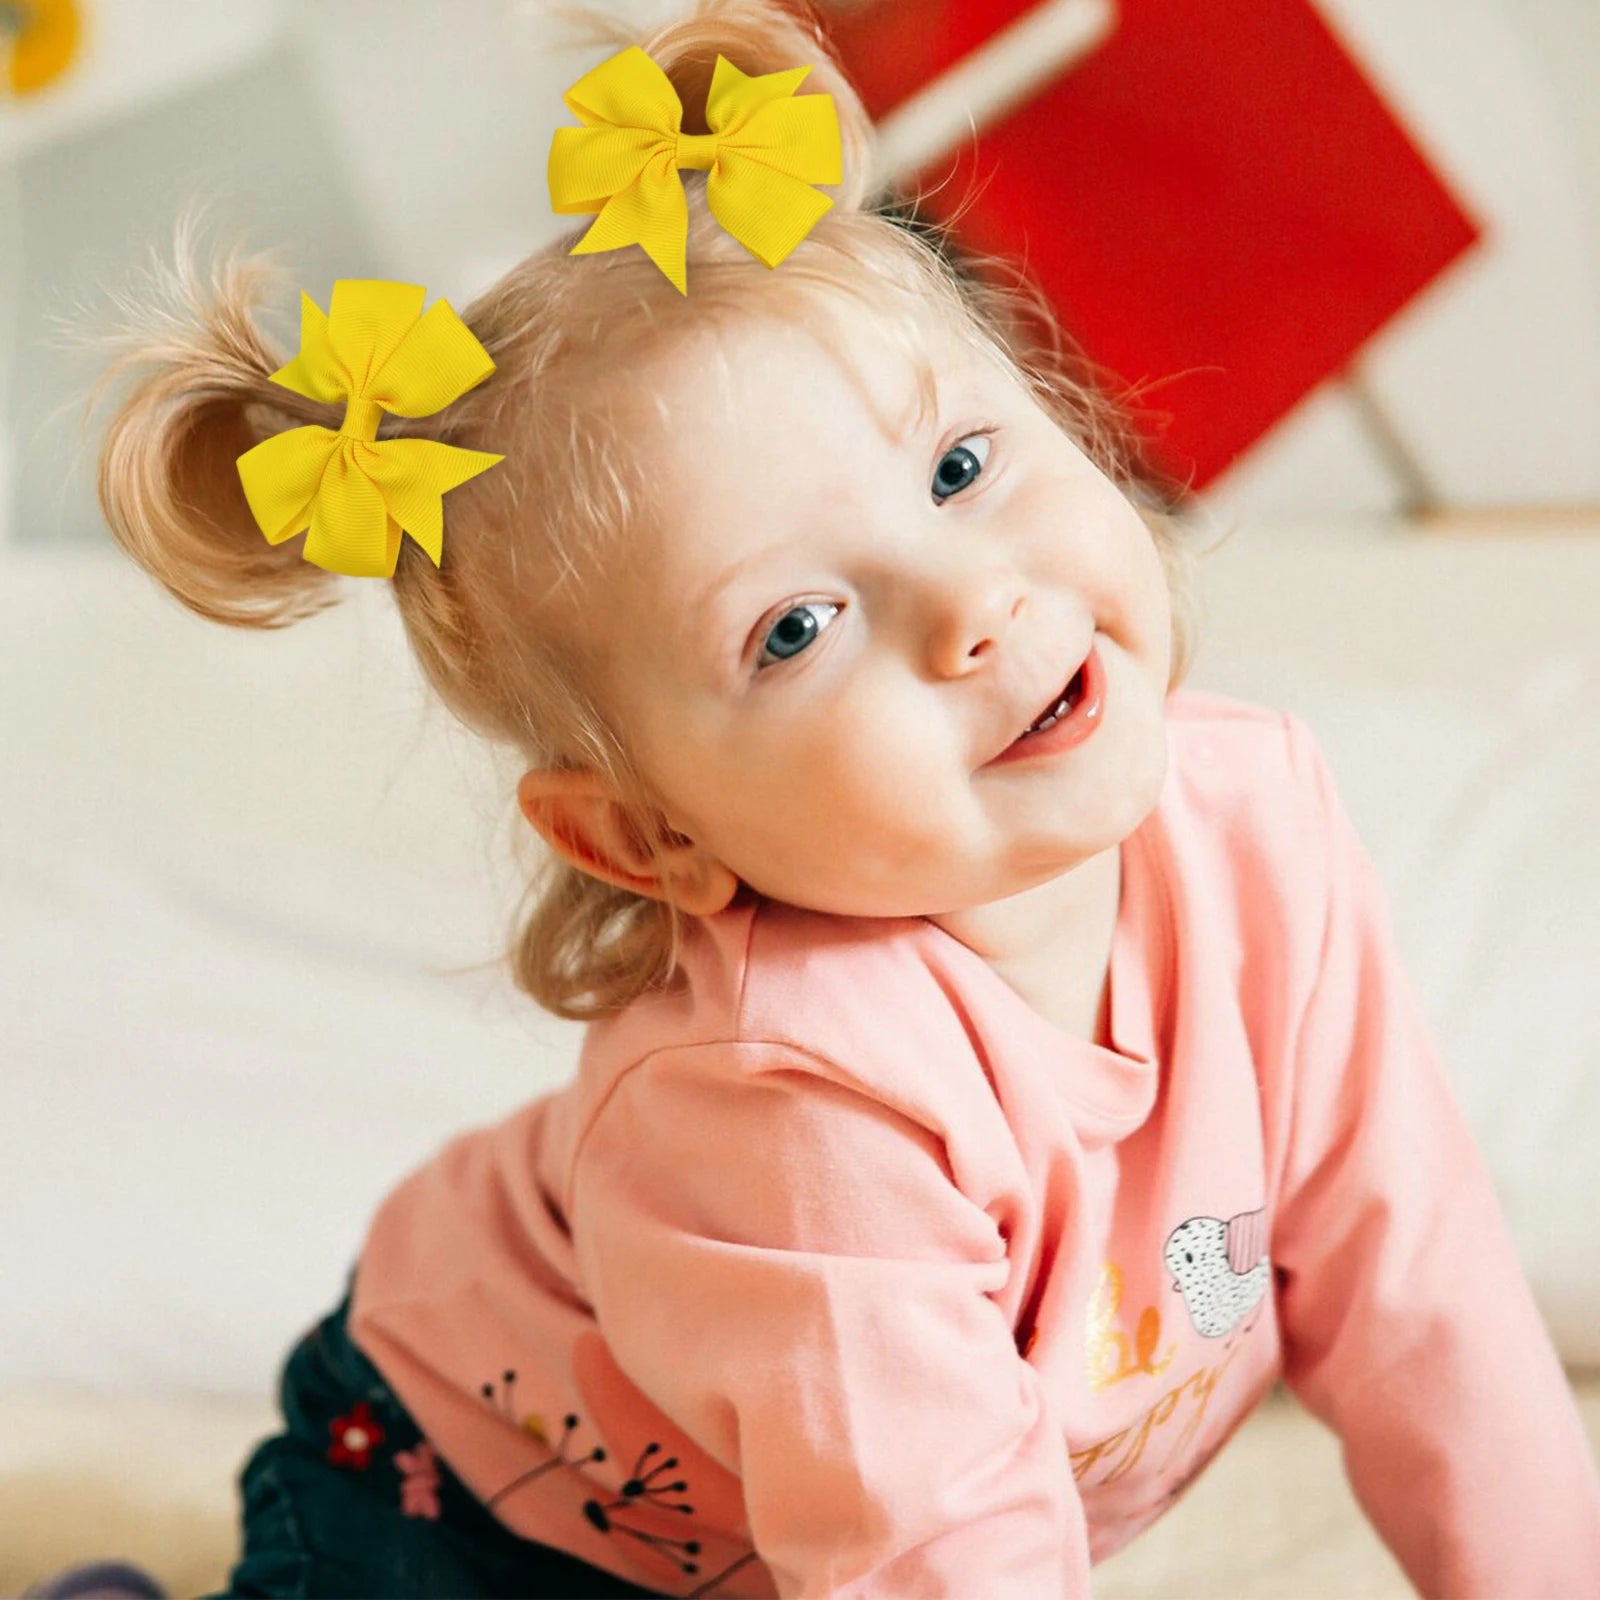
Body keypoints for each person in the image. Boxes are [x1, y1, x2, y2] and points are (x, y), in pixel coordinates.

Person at [44, 0, 1600, 1594]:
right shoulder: (794, 1099)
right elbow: (943, 1559)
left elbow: (1423, 1295)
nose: (971, 604)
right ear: (646, 836)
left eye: (960, 469)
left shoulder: (1262, 829)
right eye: (795, 628)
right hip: (467, 1510)